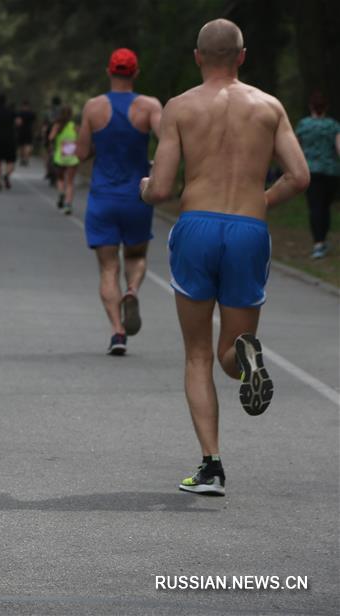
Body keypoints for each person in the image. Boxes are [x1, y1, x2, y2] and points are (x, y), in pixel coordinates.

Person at [140, 19, 309, 495]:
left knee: (196, 353)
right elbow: (299, 176)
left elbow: (164, 188)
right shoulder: (268, 106)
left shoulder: (180, 108)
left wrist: (146, 188)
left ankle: (211, 466)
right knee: (229, 352)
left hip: (196, 227)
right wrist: (259, 202)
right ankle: (244, 359)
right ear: (242, 55)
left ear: (198, 57)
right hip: (249, 229)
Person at [76, 48, 163, 355]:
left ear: (108, 71)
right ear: (135, 72)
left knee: (108, 268)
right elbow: (169, 142)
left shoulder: (93, 107)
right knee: (136, 256)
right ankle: (133, 290)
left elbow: (82, 152)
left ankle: (117, 331)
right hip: (137, 196)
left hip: (103, 198)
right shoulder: (149, 106)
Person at [295, 90, 340, 259]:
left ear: (310, 107)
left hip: (310, 171)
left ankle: (318, 243)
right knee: (325, 207)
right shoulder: (333, 125)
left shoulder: (303, 125)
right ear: (326, 107)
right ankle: (323, 239)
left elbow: (295, 148)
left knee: (315, 207)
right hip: (331, 172)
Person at [48, 106, 79, 212]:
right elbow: (79, 138)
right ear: (71, 115)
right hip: (72, 157)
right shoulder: (74, 126)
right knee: (70, 182)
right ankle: (68, 205)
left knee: (60, 178)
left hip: (60, 157)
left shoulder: (57, 125)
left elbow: (51, 138)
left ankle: (61, 192)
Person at [16, 100, 37, 166]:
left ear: (22, 106)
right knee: (28, 145)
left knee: (21, 146)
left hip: (21, 131)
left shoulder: (19, 113)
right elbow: (34, 123)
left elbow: (18, 123)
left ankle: (22, 158)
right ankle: (26, 159)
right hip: (29, 130)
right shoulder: (32, 113)